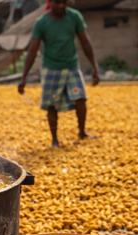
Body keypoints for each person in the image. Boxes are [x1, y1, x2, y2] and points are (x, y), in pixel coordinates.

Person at [18, 0, 99, 147]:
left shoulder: (74, 16)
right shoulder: (41, 22)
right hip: (51, 68)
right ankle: (54, 139)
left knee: (81, 99)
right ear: (50, 2)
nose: (61, 5)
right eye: (57, 2)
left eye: (64, 2)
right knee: (51, 105)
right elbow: (32, 50)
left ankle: (82, 132)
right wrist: (23, 77)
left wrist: (95, 67)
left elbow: (85, 42)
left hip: (71, 66)